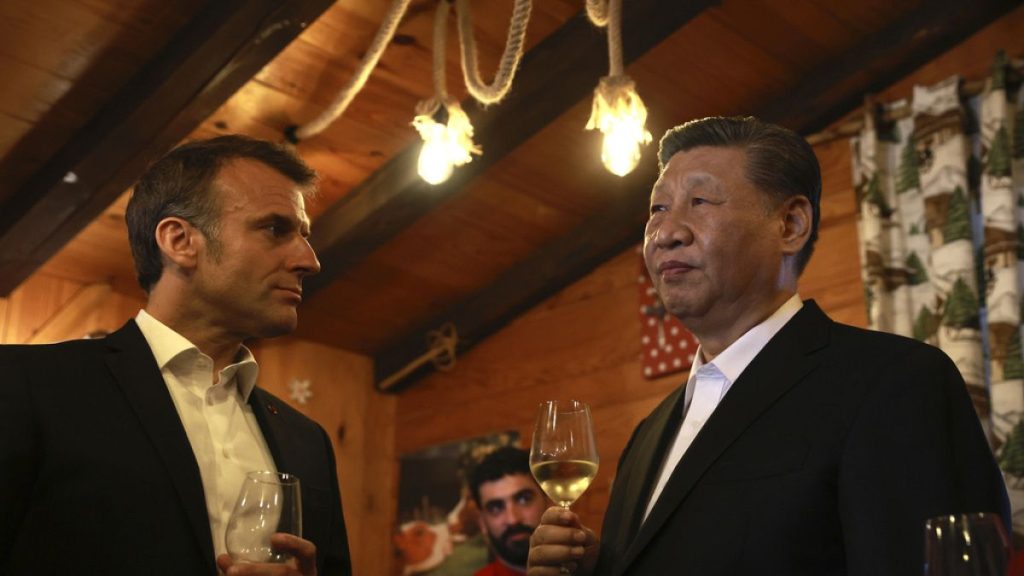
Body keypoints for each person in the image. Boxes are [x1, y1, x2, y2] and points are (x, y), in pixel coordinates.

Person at [527, 116, 1010, 575]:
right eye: (658, 207)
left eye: (699, 202)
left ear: (790, 225)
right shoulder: (647, 435)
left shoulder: (896, 382)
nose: (666, 232)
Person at [0, 135, 352, 575]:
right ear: (180, 240)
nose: (310, 260)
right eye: (275, 229)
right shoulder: (24, 385)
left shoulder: (309, 441)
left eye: (304, 235)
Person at [470, 447, 546, 576]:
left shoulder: (586, 568)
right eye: (495, 508)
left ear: (548, 501)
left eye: (524, 499)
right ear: (482, 522)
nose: (513, 519)